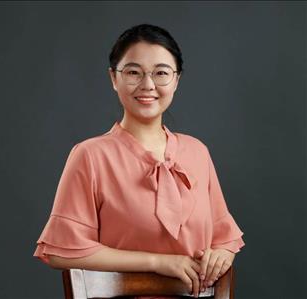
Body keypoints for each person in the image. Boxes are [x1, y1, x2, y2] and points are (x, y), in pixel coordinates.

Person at [33, 23, 245, 298]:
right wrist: (158, 263)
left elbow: (225, 237)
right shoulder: (91, 156)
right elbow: (62, 251)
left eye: (161, 73)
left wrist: (223, 253)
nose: (147, 85)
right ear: (114, 78)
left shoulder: (197, 152)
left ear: (177, 80)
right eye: (133, 72)